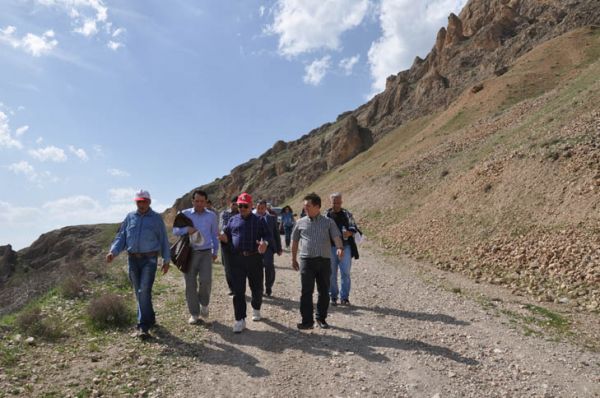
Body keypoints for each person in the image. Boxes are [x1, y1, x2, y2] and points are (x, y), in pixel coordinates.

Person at [106, 189, 170, 340]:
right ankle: (151, 317)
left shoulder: (156, 218)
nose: (141, 204)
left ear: (149, 202)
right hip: (132, 259)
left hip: (150, 260)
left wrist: (166, 260)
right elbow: (122, 237)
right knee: (139, 292)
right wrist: (113, 252)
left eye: (144, 201)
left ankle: (143, 326)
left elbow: (163, 240)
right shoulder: (130, 217)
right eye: (138, 201)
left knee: (143, 291)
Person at [218, 193, 271, 333]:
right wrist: (222, 236)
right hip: (237, 260)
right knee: (238, 291)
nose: (242, 208)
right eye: (240, 205)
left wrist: (264, 243)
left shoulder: (259, 220)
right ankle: (240, 320)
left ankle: (256, 308)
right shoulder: (233, 220)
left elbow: (267, 235)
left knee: (257, 287)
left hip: (254, 259)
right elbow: (226, 234)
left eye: (245, 206)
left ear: (251, 206)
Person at [291, 193, 344, 330]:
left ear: (317, 206)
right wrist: (293, 259)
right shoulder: (300, 222)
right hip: (306, 261)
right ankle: (307, 321)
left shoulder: (328, 222)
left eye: (308, 206)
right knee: (306, 292)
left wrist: (339, 248)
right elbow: (295, 241)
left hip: (324, 262)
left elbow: (336, 236)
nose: (305, 209)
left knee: (324, 291)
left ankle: (321, 318)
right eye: (304, 206)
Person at [173, 190, 219, 325]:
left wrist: (215, 250)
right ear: (192, 201)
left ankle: (204, 304)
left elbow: (214, 233)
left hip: (205, 252)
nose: (199, 204)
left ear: (206, 202)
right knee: (190, 284)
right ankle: (194, 313)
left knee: (206, 281)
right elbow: (175, 230)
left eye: (202, 201)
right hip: (189, 253)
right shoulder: (185, 214)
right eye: (197, 201)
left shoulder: (211, 216)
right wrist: (186, 230)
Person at [327, 192, 359, 306]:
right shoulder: (326, 215)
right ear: (330, 202)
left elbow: (354, 228)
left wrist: (349, 233)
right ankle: (333, 296)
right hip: (330, 247)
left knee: (345, 273)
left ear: (341, 202)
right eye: (334, 202)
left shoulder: (347, 214)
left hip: (346, 247)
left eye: (339, 202)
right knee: (331, 273)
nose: (337, 205)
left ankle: (344, 297)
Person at [255, 199, 282, 296]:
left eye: (262, 208)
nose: (260, 210)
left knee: (269, 266)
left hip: (269, 247)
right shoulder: (252, 218)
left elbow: (276, 233)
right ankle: (259, 288)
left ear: (266, 208)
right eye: (258, 208)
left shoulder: (271, 218)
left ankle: (268, 287)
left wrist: (279, 248)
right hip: (256, 247)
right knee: (257, 269)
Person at [219, 196, 239, 295]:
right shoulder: (225, 214)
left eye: (237, 204)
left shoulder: (242, 214)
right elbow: (223, 227)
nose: (235, 206)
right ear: (230, 203)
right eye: (234, 203)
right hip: (226, 242)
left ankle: (238, 288)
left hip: (238, 243)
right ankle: (232, 288)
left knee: (238, 266)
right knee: (227, 267)